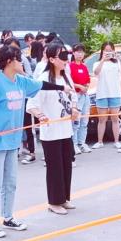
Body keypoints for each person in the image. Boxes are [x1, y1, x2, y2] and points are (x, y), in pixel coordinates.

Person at [0, 44, 68, 238]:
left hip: (12, 141)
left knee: (11, 182)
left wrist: (63, 87)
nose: (22, 62)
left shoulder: (21, 81)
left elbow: (41, 85)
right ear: (9, 61)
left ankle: (8, 217)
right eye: (18, 59)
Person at [27, 44, 80, 214]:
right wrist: (40, 115)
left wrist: (74, 109)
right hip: (50, 132)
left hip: (66, 130)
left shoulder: (66, 76)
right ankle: (54, 202)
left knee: (66, 165)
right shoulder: (43, 79)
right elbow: (31, 104)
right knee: (54, 168)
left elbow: (73, 96)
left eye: (66, 55)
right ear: (51, 59)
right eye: (62, 56)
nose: (66, 59)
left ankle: (64, 198)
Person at [92, 41, 121, 149]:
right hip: (102, 94)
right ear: (102, 51)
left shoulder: (116, 63)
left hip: (115, 94)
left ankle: (116, 141)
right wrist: (103, 60)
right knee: (102, 119)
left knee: (115, 119)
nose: (108, 52)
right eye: (106, 50)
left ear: (113, 51)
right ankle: (100, 141)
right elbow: (96, 73)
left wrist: (120, 59)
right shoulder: (97, 63)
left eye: (110, 50)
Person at [69, 43, 92, 154]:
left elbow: (88, 80)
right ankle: (74, 144)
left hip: (85, 95)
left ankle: (82, 143)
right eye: (78, 52)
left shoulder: (84, 66)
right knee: (75, 121)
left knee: (84, 120)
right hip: (75, 95)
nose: (80, 54)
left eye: (82, 52)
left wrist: (86, 87)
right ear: (73, 53)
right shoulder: (70, 66)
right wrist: (79, 86)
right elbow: (68, 82)